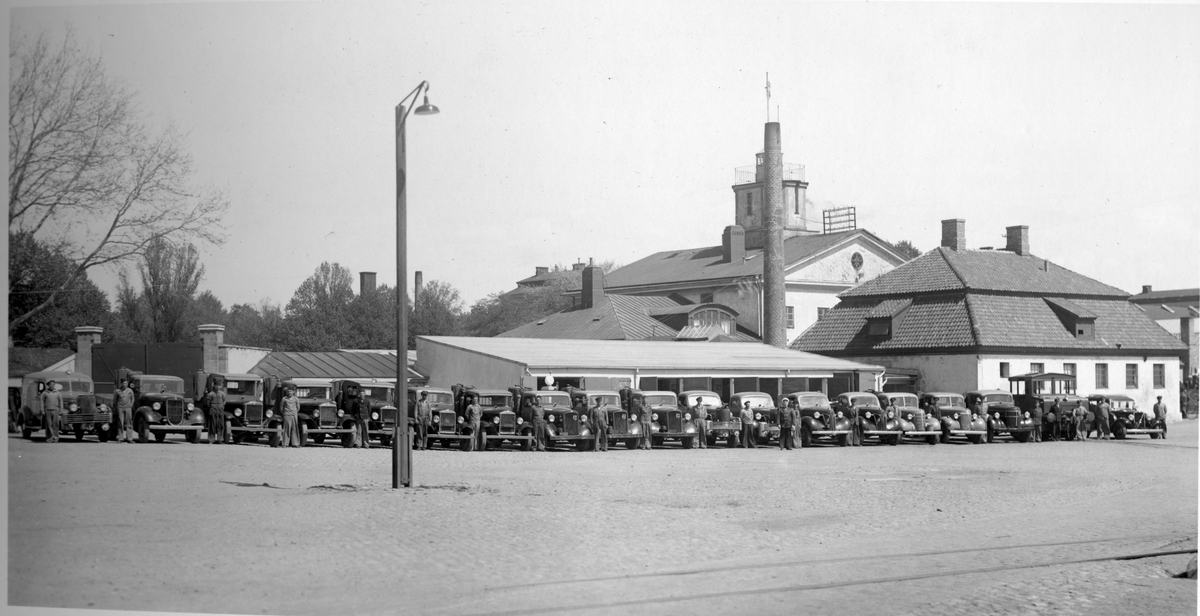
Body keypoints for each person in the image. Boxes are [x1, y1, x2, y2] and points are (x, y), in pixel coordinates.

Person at [114, 377, 136, 443]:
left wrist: (130, 405)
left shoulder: (130, 391)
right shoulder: (117, 391)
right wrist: (116, 407)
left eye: (126, 383)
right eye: (123, 383)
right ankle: (120, 438)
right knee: (120, 422)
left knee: (129, 423)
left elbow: (132, 399)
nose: (125, 384)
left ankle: (129, 438)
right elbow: (115, 400)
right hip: (120, 408)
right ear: (121, 383)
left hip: (128, 408)